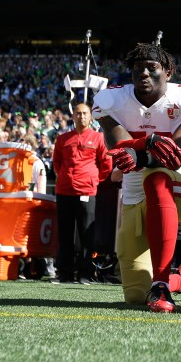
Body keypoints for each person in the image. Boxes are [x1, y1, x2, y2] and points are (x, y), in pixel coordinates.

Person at [93, 40, 181, 313]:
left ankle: (160, 283)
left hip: (177, 187)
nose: (144, 73)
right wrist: (145, 145)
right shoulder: (112, 99)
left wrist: (140, 154)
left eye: (151, 67)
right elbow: (118, 145)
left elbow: (177, 154)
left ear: (168, 71)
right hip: (134, 200)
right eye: (137, 68)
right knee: (135, 295)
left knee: (156, 177)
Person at [52, 103, 111, 285]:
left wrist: (92, 180)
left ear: (91, 117)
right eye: (78, 113)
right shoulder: (62, 139)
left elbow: (106, 165)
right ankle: (64, 273)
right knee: (65, 234)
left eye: (85, 113)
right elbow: (57, 163)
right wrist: (65, 178)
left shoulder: (99, 138)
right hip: (64, 191)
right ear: (73, 116)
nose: (81, 117)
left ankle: (85, 273)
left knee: (87, 234)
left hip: (87, 191)